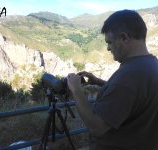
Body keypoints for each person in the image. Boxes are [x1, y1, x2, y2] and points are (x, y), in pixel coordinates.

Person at [67, 9, 158, 150]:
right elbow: (134, 96)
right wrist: (99, 82)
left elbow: (96, 127)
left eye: (109, 42)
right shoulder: (151, 65)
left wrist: (76, 90)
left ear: (124, 38)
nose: (108, 48)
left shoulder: (129, 77)